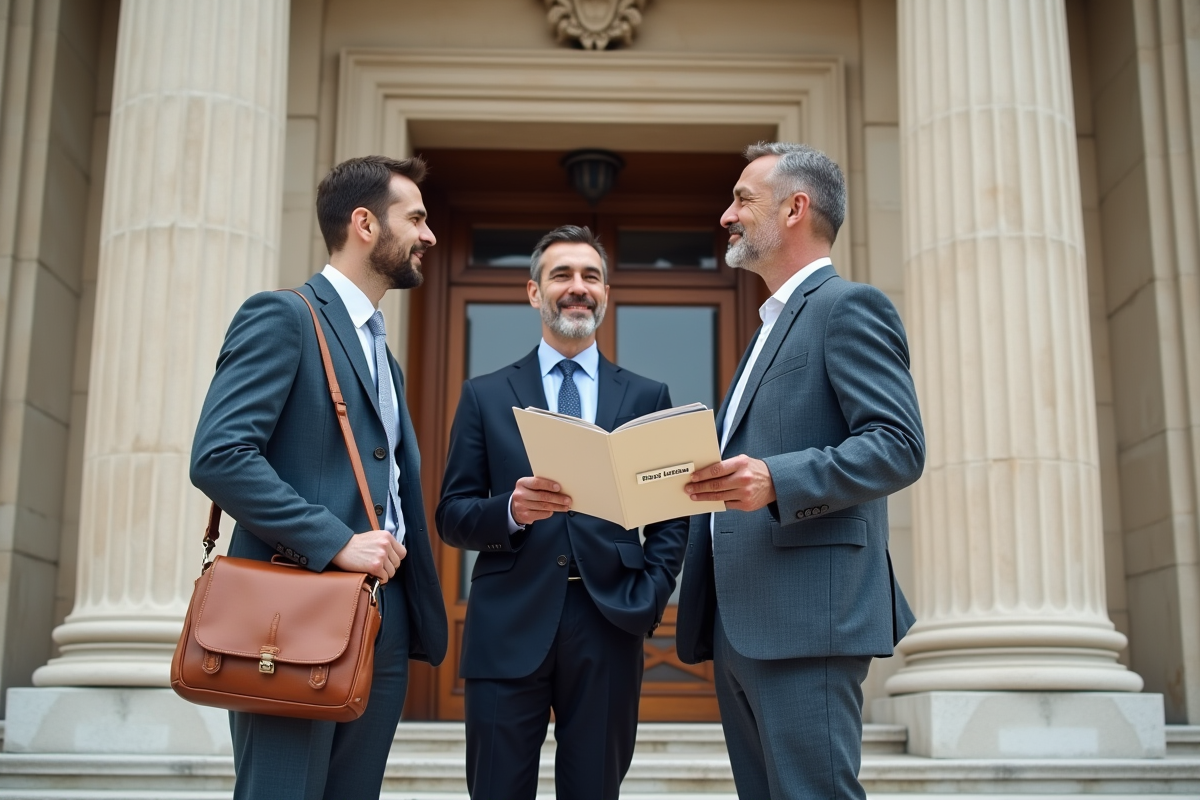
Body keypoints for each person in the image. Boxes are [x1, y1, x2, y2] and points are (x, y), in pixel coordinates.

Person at [190, 155, 448, 800]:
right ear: (365, 224)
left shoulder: (383, 355)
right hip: (292, 614)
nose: (428, 235)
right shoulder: (283, 316)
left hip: (381, 614)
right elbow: (220, 455)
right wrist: (335, 541)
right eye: (416, 218)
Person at [675, 142, 925, 800]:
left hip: (808, 621)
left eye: (742, 199)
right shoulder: (770, 325)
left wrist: (776, 480)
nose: (727, 215)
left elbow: (898, 444)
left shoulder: (848, 307)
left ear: (794, 209)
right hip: (742, 625)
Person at [436, 225, 689, 800]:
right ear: (534, 292)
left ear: (606, 293)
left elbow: (672, 516)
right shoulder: (485, 395)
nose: (578, 287)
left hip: (610, 621)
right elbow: (451, 514)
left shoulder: (648, 396)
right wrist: (511, 511)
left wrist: (651, 594)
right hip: (507, 623)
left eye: (591, 276)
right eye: (562, 275)